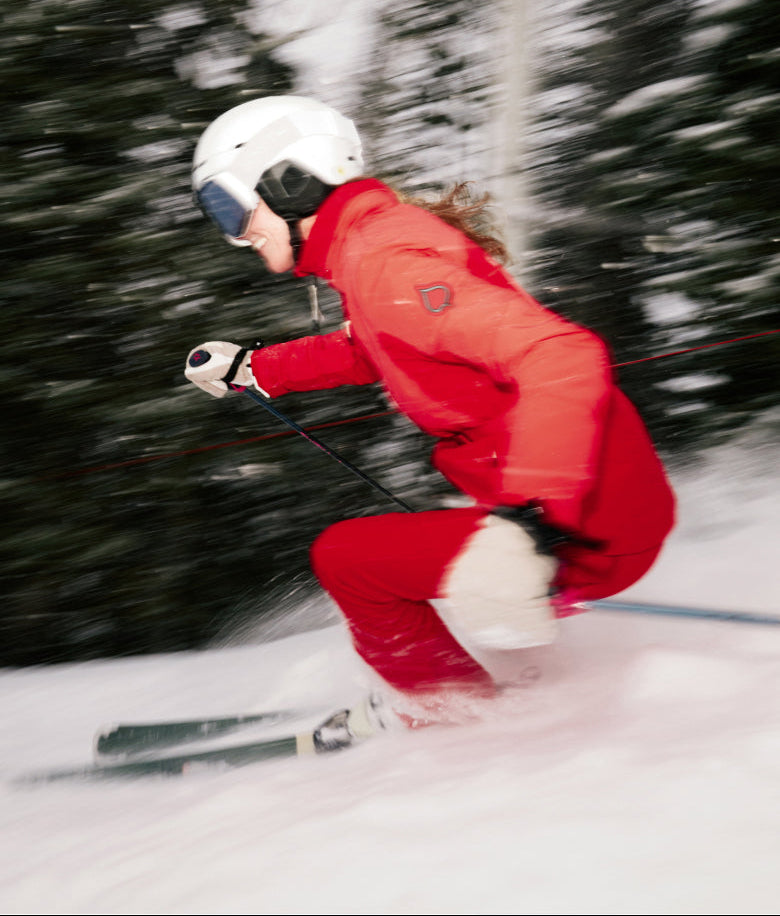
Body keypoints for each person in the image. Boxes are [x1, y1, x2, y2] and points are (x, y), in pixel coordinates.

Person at [185, 95, 675, 729]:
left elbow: (560, 352)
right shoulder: (371, 247)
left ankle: (457, 725)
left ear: (290, 181)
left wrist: (526, 524)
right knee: (432, 580)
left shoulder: (381, 262)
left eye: (228, 206)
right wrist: (258, 368)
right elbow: (379, 346)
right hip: (600, 501)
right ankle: (500, 697)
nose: (233, 232)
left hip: (583, 522)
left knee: (349, 560)